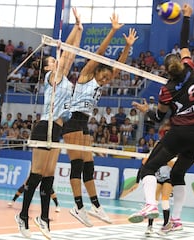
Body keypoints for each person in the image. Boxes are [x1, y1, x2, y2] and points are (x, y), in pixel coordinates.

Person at [128, 4, 194, 233]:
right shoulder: (190, 70)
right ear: (180, 64)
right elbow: (185, 44)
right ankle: (176, 220)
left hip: (181, 133)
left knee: (147, 170)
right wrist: (186, 17)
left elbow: (158, 119)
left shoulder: (167, 90)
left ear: (166, 70)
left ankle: (150, 205)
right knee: (177, 174)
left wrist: (147, 110)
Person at [62, 13, 138, 227]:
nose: (105, 80)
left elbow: (119, 67)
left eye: (107, 78)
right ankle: (78, 207)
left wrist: (127, 47)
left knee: (89, 166)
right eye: (103, 76)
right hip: (72, 121)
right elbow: (100, 53)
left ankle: (95, 205)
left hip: (83, 123)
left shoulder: (103, 80)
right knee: (77, 165)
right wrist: (113, 31)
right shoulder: (86, 75)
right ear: (98, 71)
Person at [14, 7, 83, 239]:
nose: (59, 61)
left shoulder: (64, 79)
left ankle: (43, 217)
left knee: (49, 175)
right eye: (54, 60)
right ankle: (22, 215)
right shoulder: (52, 78)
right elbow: (67, 56)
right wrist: (72, 33)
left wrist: (78, 28)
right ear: (49, 67)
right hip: (45, 126)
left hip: (58, 129)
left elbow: (70, 54)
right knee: (37, 173)